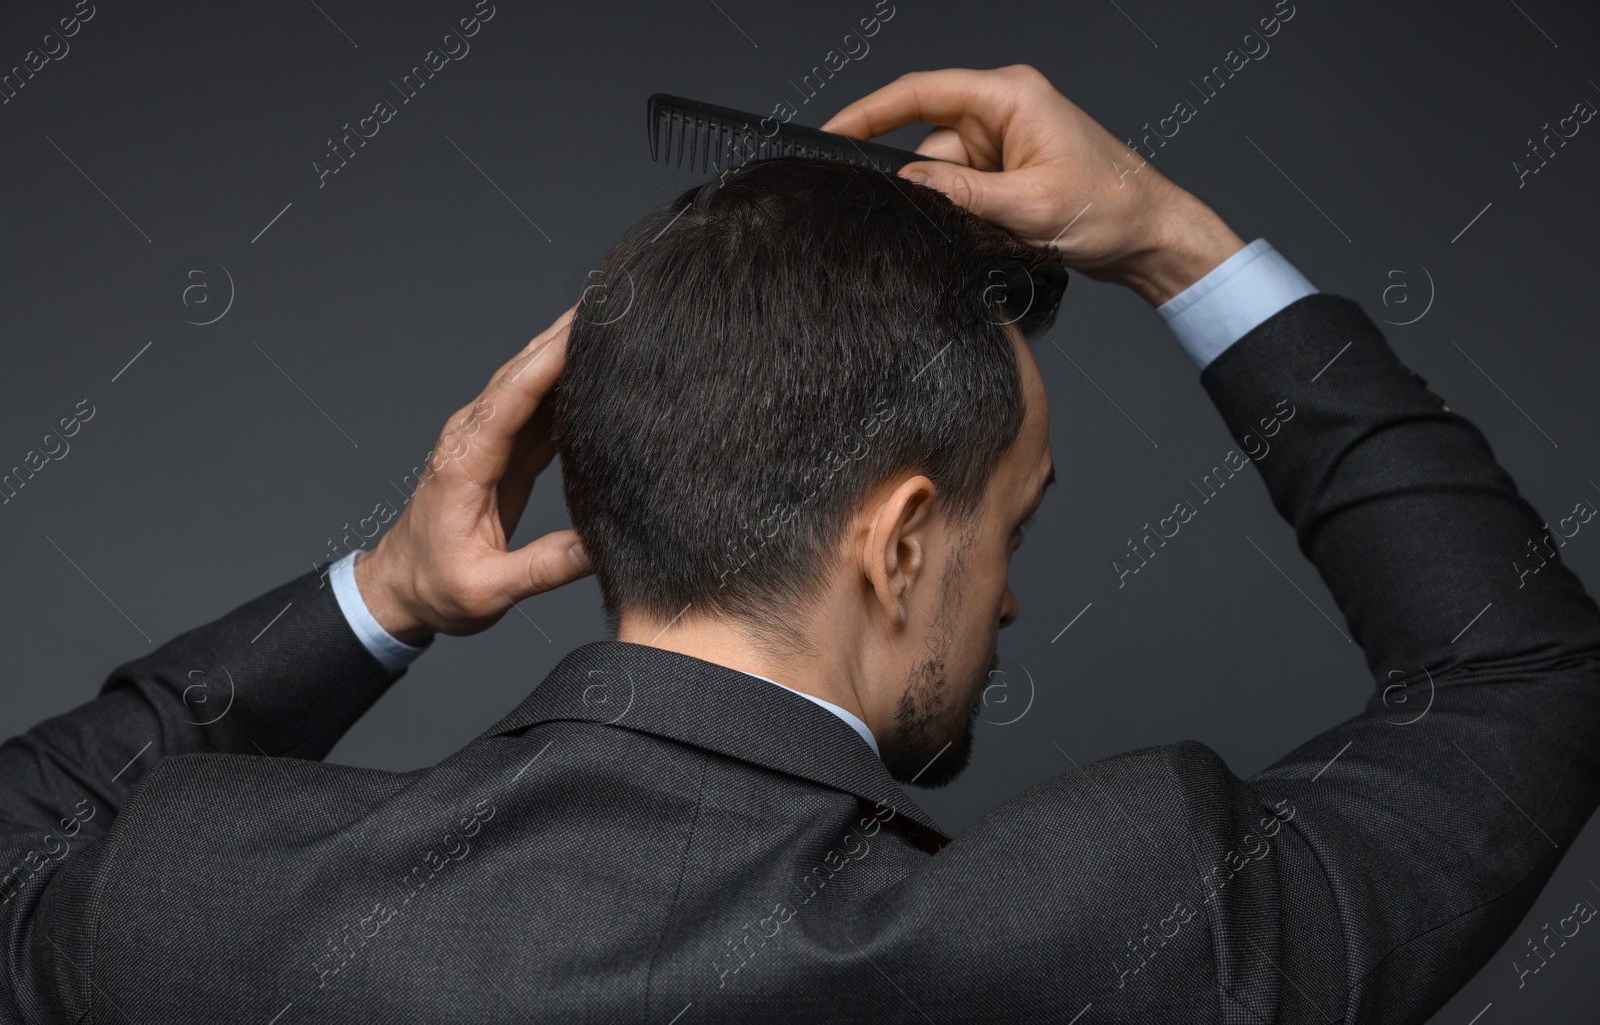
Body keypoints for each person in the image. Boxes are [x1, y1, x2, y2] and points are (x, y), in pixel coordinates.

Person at [3, 65, 1597, 1024]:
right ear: (903, 543)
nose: (1015, 593)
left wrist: (391, 593)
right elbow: (1525, 672)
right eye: (1009, 526)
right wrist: (1179, 243)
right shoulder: (1128, 935)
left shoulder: (184, 903)